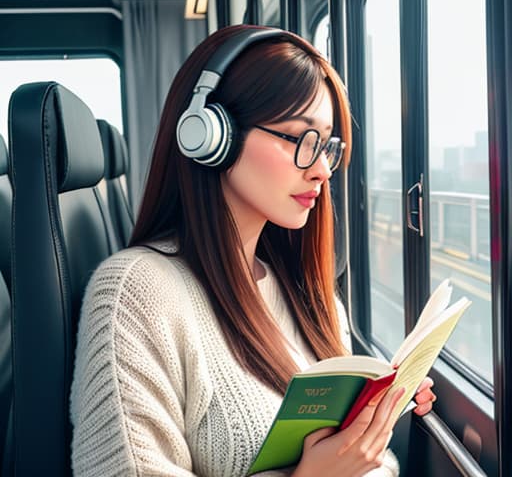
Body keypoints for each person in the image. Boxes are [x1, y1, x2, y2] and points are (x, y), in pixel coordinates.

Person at [70, 24, 436, 477]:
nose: (322, 169)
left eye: (327, 145)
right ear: (210, 137)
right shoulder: (138, 292)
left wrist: (376, 413)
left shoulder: (299, 288)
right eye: (301, 139)